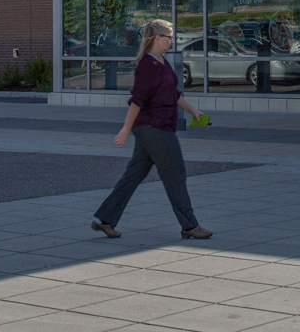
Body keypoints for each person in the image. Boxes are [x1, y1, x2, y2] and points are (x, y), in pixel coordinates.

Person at [91, 19, 212, 240]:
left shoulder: (162, 62)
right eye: (169, 37)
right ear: (157, 38)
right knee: (175, 174)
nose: (172, 41)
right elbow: (137, 100)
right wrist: (126, 130)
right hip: (154, 128)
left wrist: (194, 111)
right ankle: (190, 226)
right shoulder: (148, 65)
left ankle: (105, 220)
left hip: (155, 127)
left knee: (133, 175)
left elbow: (173, 94)